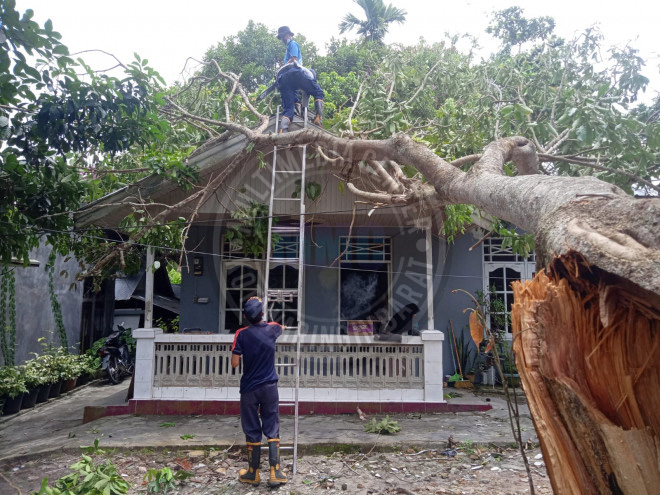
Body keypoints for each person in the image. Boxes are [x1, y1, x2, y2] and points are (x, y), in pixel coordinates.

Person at [231, 296, 287, 487]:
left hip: (249, 389)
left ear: (245, 316)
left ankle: (253, 473)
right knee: (272, 425)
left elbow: (235, 363)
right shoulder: (272, 329)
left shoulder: (241, 334)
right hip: (270, 387)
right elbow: (281, 327)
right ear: (262, 314)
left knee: (252, 428)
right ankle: (275, 471)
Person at [275, 26, 324, 132]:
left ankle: (283, 131)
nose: (283, 39)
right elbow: (294, 59)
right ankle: (318, 118)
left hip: (284, 79)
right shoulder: (293, 44)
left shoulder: (291, 45)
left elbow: (291, 60)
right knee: (318, 92)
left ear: (288, 35)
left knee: (289, 109)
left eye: (283, 36)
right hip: (295, 74)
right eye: (282, 37)